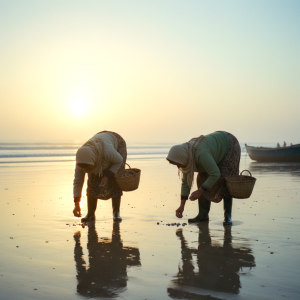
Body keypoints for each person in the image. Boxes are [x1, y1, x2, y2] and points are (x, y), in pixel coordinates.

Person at [166, 131, 241, 225]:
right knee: (201, 179)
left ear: (182, 157)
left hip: (229, 145)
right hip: (213, 151)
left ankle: (227, 216)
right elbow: (186, 183)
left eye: (178, 163)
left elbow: (215, 174)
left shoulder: (201, 154)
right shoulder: (187, 157)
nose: (178, 167)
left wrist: (200, 191)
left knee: (225, 179)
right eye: (176, 164)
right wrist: (181, 206)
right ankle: (203, 215)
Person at [73, 131, 127, 222]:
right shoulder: (81, 160)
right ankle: (90, 214)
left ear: (93, 161)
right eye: (84, 169)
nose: (86, 171)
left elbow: (119, 161)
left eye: (88, 168)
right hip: (98, 151)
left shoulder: (107, 151)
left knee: (115, 179)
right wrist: (76, 203)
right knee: (92, 182)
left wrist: (107, 176)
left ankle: (116, 213)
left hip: (116, 143)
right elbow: (78, 181)